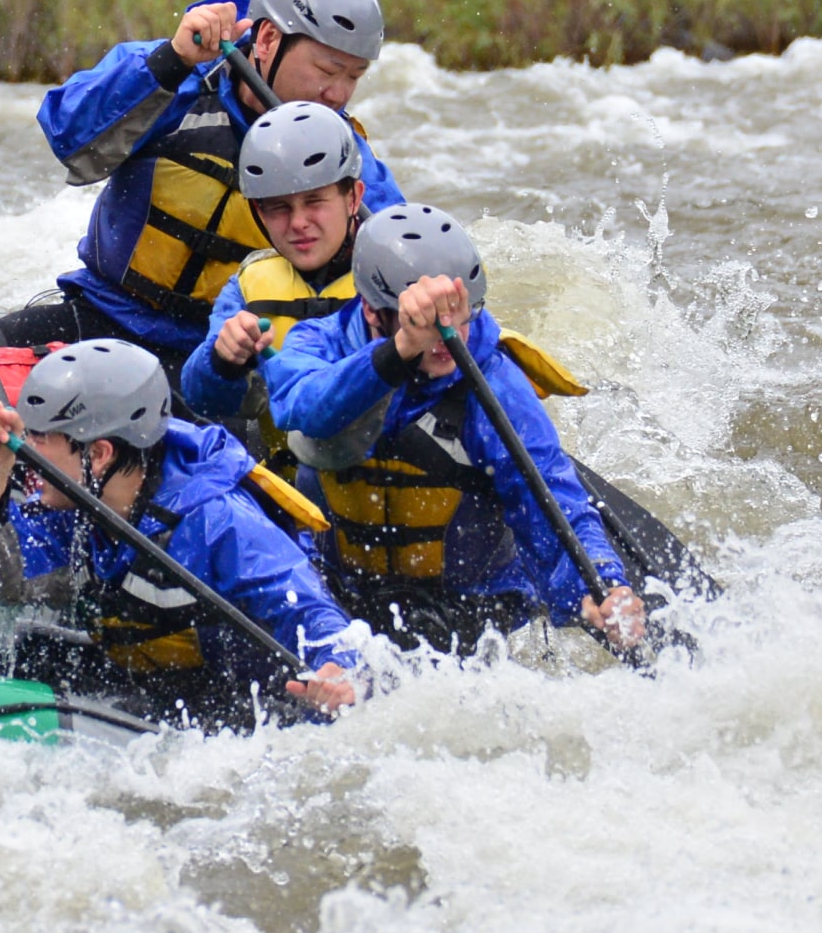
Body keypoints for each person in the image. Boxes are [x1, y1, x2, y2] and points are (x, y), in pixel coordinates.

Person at [0, 0, 407, 373]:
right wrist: (171, 60)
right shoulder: (176, 77)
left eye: (353, 77)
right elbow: (66, 132)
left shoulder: (340, 151)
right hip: (103, 316)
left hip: (218, 357)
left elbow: (402, 249)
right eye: (327, 69)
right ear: (266, 41)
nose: (338, 93)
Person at [263, 203, 647, 653]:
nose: (451, 338)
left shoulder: (494, 384)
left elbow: (549, 496)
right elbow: (305, 409)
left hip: (472, 615)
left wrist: (597, 587)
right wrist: (403, 348)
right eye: (429, 323)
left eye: (464, 316)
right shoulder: (320, 343)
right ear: (372, 312)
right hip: (344, 602)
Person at [0, 339, 362, 729]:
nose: (27, 450)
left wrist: (336, 667)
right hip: (148, 676)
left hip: (238, 704)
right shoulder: (77, 503)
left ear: (98, 453)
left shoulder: (218, 520)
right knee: (22, 655)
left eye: (40, 438)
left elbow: (312, 611)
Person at [177, 102, 369, 449]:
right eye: (279, 207)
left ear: (352, 198)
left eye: (315, 201)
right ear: (257, 211)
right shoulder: (248, 285)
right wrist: (223, 360)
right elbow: (202, 399)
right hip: (293, 490)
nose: (297, 223)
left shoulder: (397, 273)